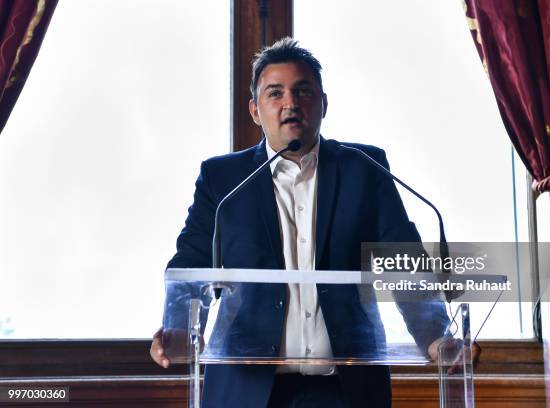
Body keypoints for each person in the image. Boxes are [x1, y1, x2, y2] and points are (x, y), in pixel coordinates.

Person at [151, 37, 450, 408]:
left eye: (303, 91)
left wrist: (436, 337)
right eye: (275, 93)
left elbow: (404, 263)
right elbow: (192, 261)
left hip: (347, 388)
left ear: (323, 104)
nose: (290, 103)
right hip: (246, 389)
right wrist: (180, 331)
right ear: (255, 111)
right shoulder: (223, 179)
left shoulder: (363, 169)